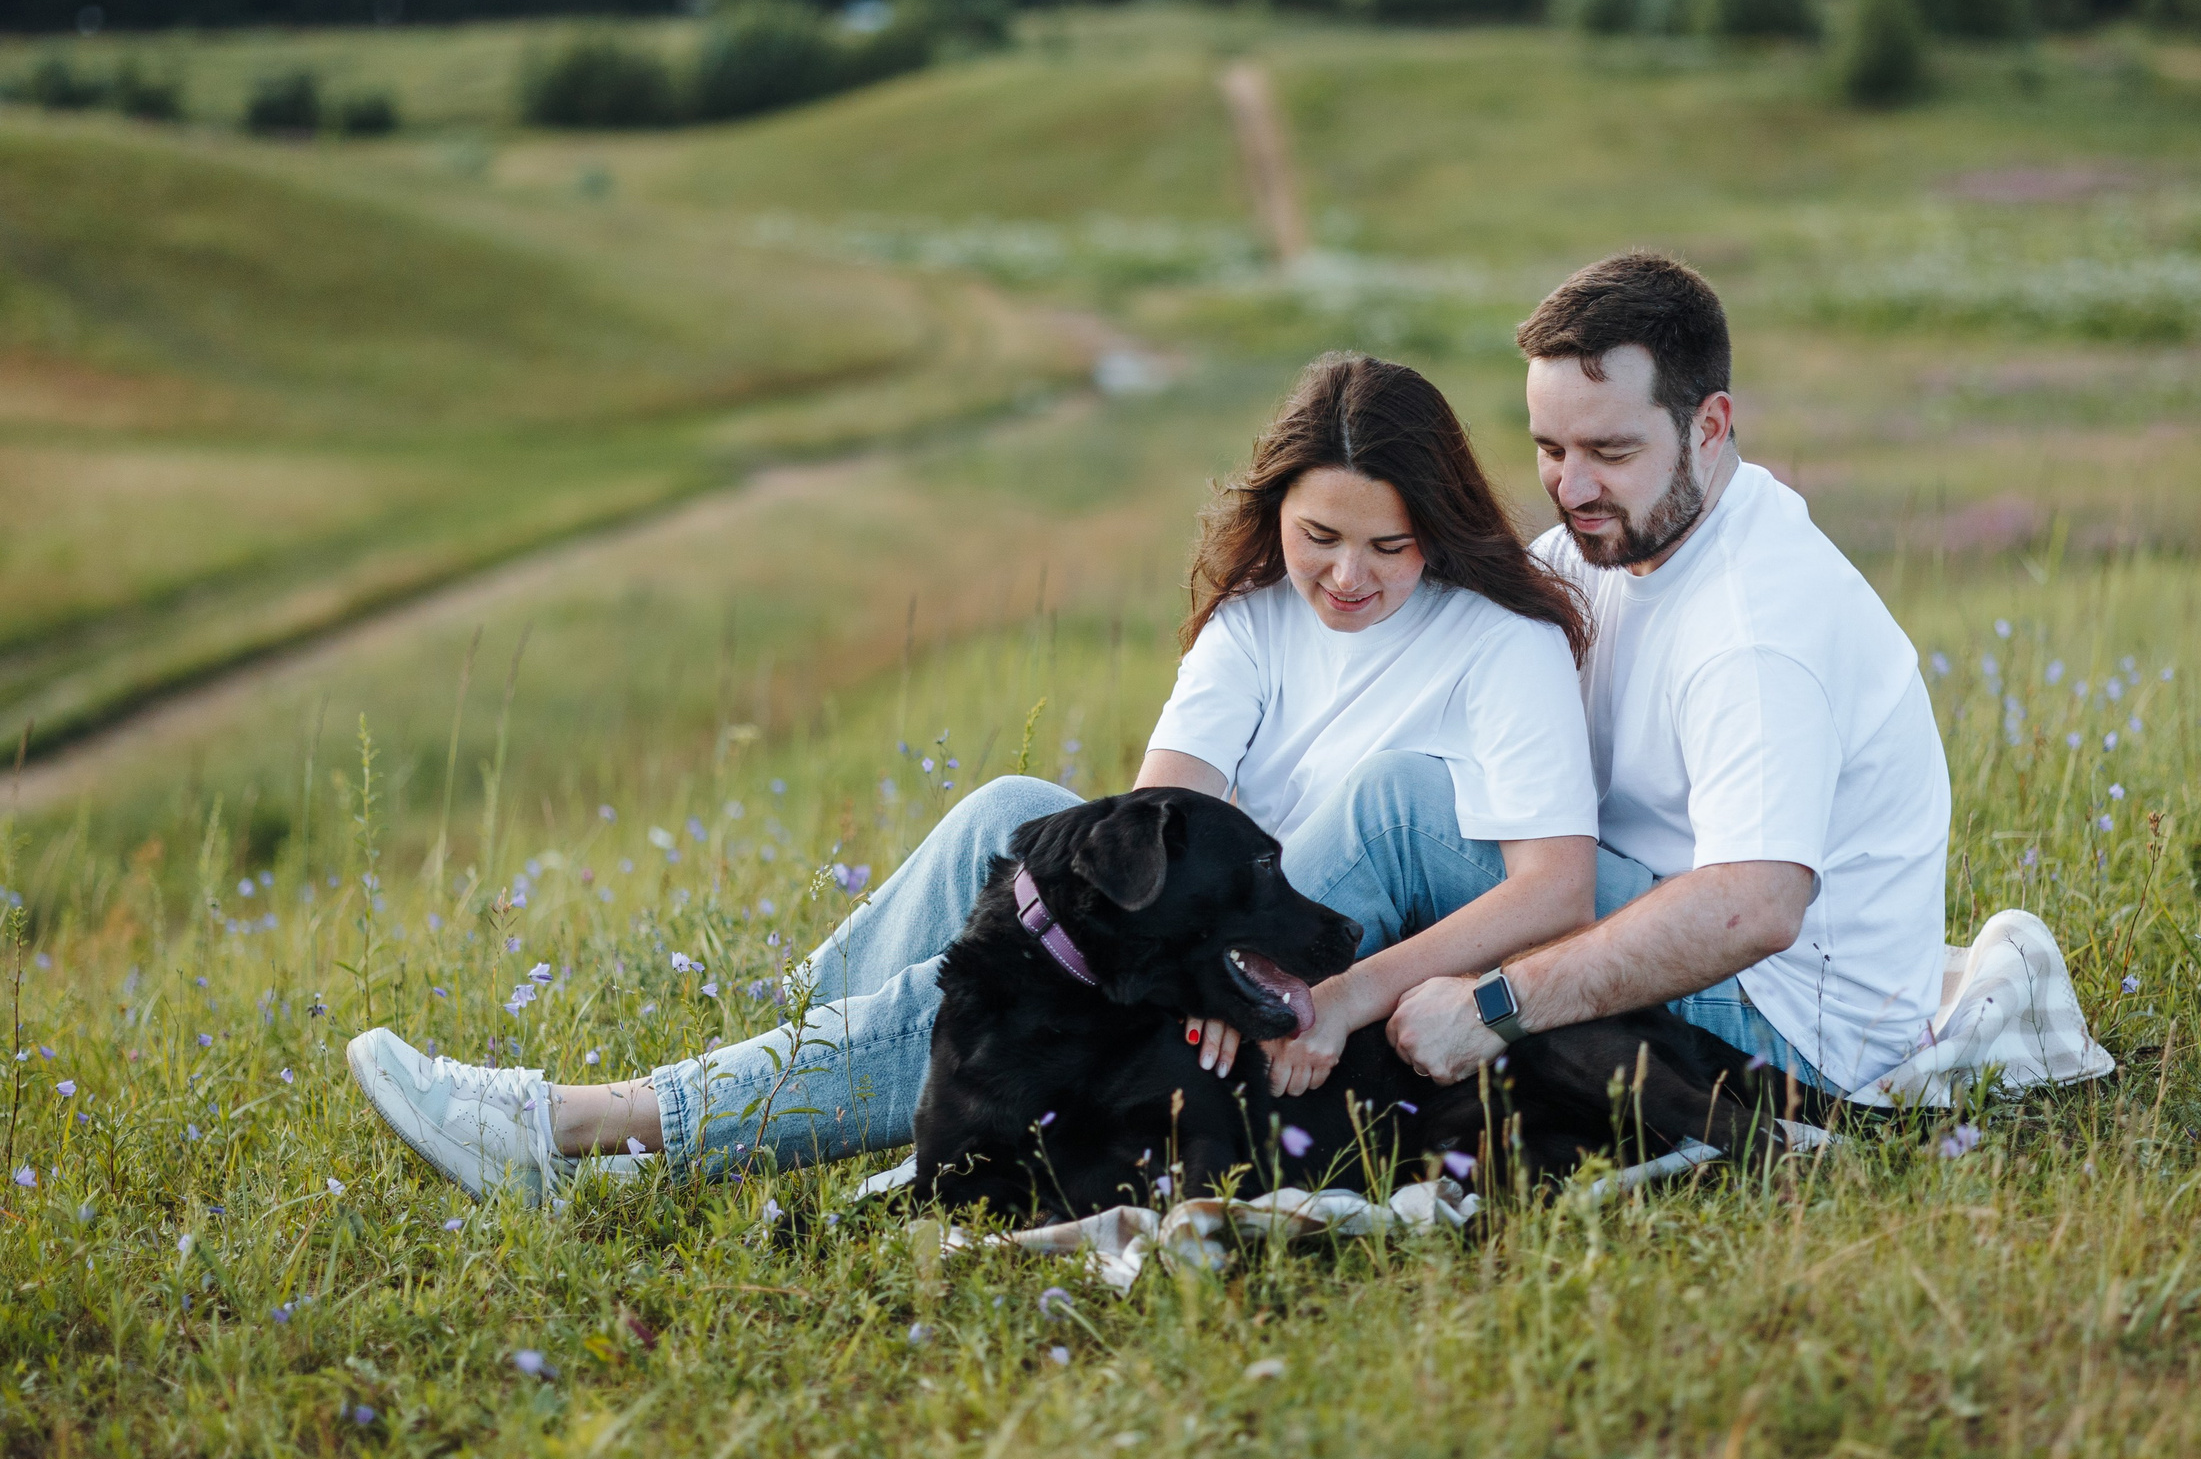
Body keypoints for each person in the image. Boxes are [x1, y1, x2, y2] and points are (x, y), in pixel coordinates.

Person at [347, 353, 1606, 1198]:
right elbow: (1146, 830)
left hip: (1316, 965)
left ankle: (586, 1127)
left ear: (1438, 526)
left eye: (1387, 546)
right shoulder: (1256, 621)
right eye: (1317, 535)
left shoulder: (1499, 641)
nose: (1347, 576)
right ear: (1274, 511)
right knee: (1009, 817)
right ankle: (776, 1058)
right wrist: (1197, 961)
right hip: (1209, 956)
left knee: (1006, 981)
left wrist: (1312, 993)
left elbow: (1557, 890)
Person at [1378, 251, 1953, 1097]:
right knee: (1404, 779)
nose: (1571, 486)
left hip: (1798, 1033)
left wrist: (1492, 1007)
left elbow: (1754, 907)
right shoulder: (1616, 540)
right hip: (1682, 929)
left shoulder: (1755, 628)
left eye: (1609, 449)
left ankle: (1188, 1048)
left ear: (1709, 426)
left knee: (1400, 812)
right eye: (1549, 447)